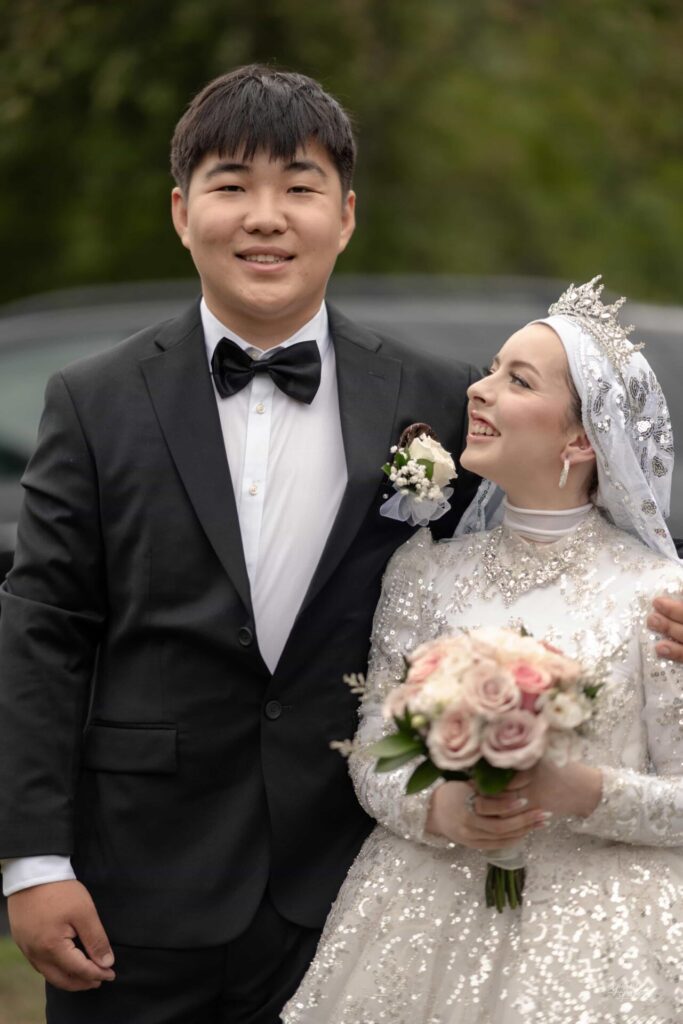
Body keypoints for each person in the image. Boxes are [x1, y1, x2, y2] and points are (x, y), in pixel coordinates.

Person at [0, 66, 480, 1023]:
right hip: (135, 887)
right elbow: (42, 634)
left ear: (345, 215)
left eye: (299, 187)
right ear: (183, 213)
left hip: (358, 878)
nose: (266, 216)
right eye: (231, 186)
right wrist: (34, 863)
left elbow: (524, 564)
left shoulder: (437, 396)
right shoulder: (93, 401)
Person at [283, 278, 683, 1024]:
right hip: (422, 907)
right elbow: (373, 754)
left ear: (579, 439)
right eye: (491, 368)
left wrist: (580, 790)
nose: (479, 389)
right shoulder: (423, 570)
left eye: (516, 379)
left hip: (600, 931)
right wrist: (440, 808)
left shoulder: (657, 594)